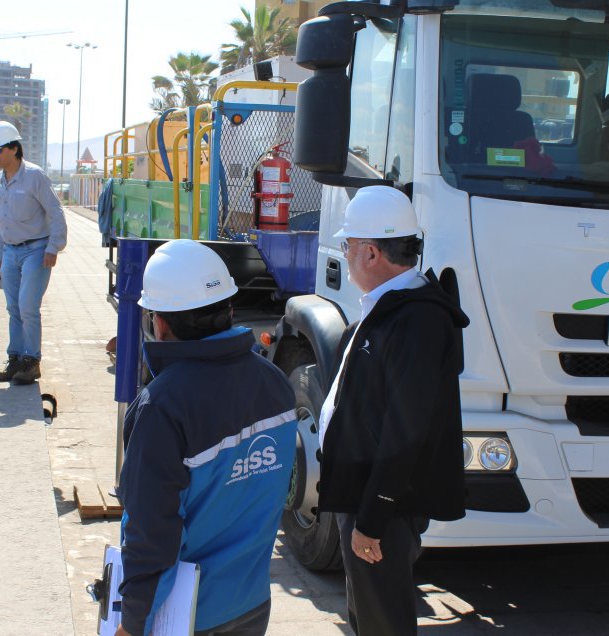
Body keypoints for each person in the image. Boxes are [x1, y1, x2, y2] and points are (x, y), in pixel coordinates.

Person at [115, 239, 297, 636]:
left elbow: (151, 535)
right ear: (229, 310)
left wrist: (130, 623)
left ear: (158, 322)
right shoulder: (277, 384)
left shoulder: (161, 408)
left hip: (186, 617)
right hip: (250, 604)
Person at [316, 186, 470, 635]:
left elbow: (406, 432)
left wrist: (372, 520)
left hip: (382, 508)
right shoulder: (391, 307)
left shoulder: (416, 321)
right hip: (364, 497)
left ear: (369, 253)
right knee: (367, 613)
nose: (343, 256)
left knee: (384, 620)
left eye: (347, 246)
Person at [0, 121, 67, 386]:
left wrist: (54, 246)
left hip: (36, 250)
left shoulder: (35, 176)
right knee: (13, 307)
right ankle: (16, 358)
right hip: (10, 251)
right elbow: (1, 220)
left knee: (28, 307)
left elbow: (55, 211)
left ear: (13, 148)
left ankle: (32, 361)